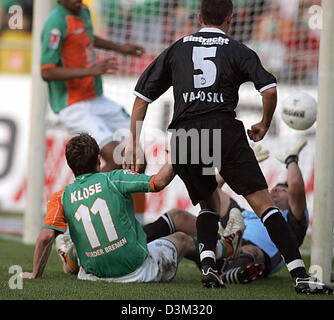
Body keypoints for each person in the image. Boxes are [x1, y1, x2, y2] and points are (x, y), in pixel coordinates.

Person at [122, 0, 332, 293]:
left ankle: (209, 267)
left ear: (198, 17)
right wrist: (263, 122)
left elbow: (141, 97)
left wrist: (133, 141)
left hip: (185, 135)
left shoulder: (177, 48)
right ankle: (300, 276)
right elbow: (269, 90)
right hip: (223, 131)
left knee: (208, 202)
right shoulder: (237, 49)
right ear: (231, 18)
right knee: (264, 205)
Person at [20, 133, 242, 283]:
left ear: (70, 165)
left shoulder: (61, 196)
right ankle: (226, 248)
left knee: (81, 241)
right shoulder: (115, 178)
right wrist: (178, 155)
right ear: (99, 160)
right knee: (182, 238)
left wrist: (34, 274)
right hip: (137, 271)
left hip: (92, 276)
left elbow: (45, 236)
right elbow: (158, 182)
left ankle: (69, 261)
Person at [41, 0, 145, 172]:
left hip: (95, 97)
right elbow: (47, 72)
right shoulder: (55, 23)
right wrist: (90, 71)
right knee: (117, 159)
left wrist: (119, 48)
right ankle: (82, 196)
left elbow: (86, 37)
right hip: (73, 105)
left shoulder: (83, 10)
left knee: (137, 159)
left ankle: (128, 200)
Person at [218, 140, 312, 284]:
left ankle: (232, 271)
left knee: (251, 251)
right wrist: (240, 163)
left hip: (254, 254)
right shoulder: (243, 214)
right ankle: (170, 255)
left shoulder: (293, 221)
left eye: (282, 190)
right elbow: (211, 189)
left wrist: (291, 160)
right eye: (274, 188)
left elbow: (295, 185)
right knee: (180, 220)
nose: (275, 190)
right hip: (224, 247)